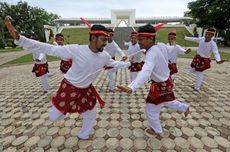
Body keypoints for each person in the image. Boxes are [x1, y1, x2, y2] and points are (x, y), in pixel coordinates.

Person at [5, 16, 130, 140]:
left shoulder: (105, 56)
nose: (106, 43)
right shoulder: (76, 49)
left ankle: (84, 134)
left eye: (107, 40)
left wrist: (128, 64)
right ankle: (60, 107)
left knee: (91, 111)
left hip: (86, 90)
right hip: (69, 87)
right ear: (93, 38)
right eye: (103, 39)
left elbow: (115, 64)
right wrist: (20, 39)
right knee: (54, 117)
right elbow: (50, 48)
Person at [117, 24, 190, 135]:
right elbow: (171, 48)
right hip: (166, 82)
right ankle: (184, 107)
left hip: (160, 85)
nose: (138, 42)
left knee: (150, 108)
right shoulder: (161, 46)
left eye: (140, 39)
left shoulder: (151, 53)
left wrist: (132, 87)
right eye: (137, 39)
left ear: (150, 38)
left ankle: (157, 130)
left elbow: (146, 72)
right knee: (166, 101)